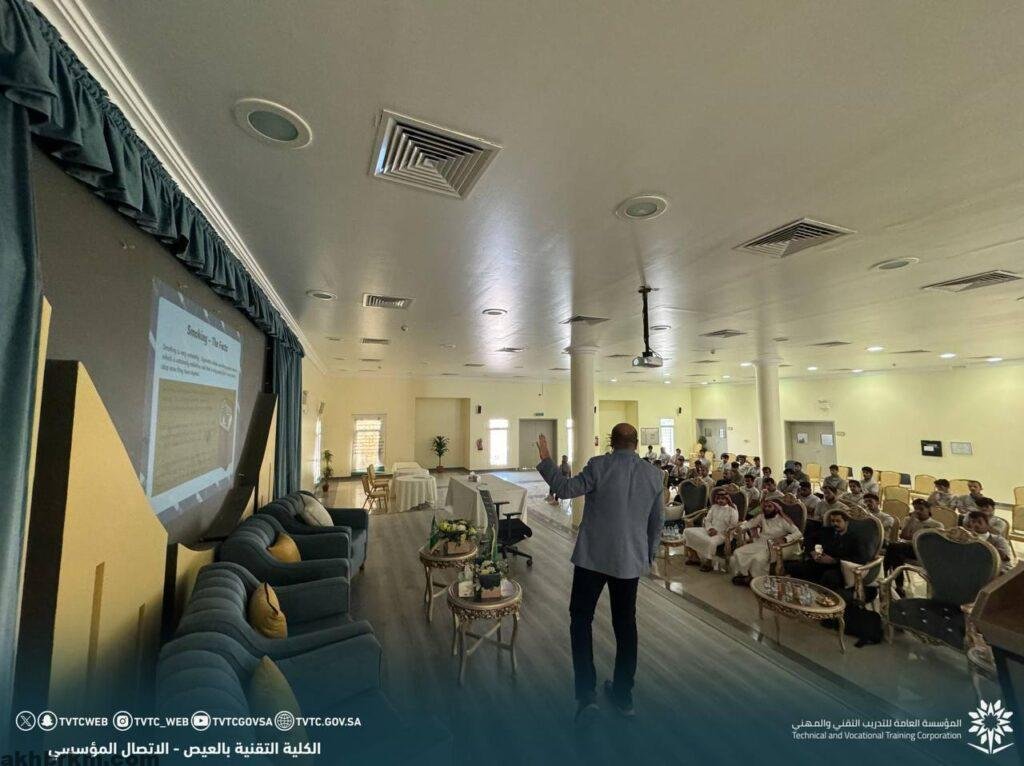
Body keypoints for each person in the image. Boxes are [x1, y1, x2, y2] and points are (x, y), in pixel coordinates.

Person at [536, 424, 662, 722]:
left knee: (581, 620)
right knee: (626, 625)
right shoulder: (654, 474)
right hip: (629, 562)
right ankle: (623, 696)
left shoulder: (599, 465)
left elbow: (565, 490)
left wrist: (546, 459)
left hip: (592, 558)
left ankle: (587, 696)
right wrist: (647, 556)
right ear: (636, 443)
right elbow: (656, 523)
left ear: (611, 442)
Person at [785, 510, 873, 591]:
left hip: (840, 568)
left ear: (846, 522)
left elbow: (860, 559)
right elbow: (808, 539)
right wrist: (812, 551)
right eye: (832, 521)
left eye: (838, 521)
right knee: (792, 567)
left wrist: (834, 560)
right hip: (820, 562)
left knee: (829, 577)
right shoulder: (827, 531)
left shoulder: (856, 538)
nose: (835, 524)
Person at [729, 498, 801, 585]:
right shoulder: (762, 516)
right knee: (738, 552)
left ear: (776, 508)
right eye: (765, 506)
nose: (766, 508)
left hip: (773, 546)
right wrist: (741, 528)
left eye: (770, 506)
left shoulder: (783, 520)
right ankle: (744, 575)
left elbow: (798, 533)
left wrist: (785, 539)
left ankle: (758, 581)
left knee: (758, 559)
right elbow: (750, 523)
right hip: (760, 542)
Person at [883, 499, 944, 597]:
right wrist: (912, 521)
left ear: (928, 510)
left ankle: (887, 575)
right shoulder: (908, 520)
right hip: (907, 548)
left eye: (921, 509)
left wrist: (913, 536)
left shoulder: (937, 525)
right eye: (916, 509)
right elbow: (904, 536)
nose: (918, 511)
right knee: (896, 550)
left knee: (894, 548)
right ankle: (899, 586)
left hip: (923, 551)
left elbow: (931, 543)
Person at [682, 488, 739, 572]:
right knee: (687, 531)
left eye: (722, 499)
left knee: (711, 542)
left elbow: (733, 525)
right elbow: (707, 520)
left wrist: (718, 532)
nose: (720, 501)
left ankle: (708, 562)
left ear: (727, 499)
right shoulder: (714, 507)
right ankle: (695, 557)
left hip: (723, 534)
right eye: (718, 498)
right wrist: (710, 528)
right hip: (709, 530)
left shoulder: (732, 510)